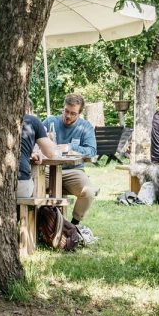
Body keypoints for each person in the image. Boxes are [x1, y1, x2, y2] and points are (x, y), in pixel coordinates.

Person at [43, 93, 99, 228]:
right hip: (48, 169)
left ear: (79, 114)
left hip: (73, 170)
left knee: (89, 192)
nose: (68, 116)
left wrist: (70, 147)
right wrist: (44, 140)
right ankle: (41, 223)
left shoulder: (85, 127)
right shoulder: (50, 122)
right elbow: (33, 141)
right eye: (66, 111)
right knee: (31, 188)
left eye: (73, 113)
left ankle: (73, 225)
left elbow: (92, 151)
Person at [19, 101, 59, 199]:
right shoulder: (32, 120)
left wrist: (30, 153)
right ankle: (38, 209)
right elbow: (51, 153)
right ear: (28, 110)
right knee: (36, 186)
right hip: (20, 183)